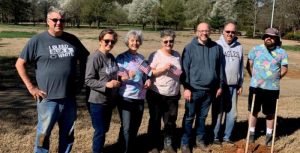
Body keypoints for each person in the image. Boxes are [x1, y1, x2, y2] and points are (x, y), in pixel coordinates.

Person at [15, 6, 89, 153]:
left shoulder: (72, 39)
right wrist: (31, 88)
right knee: (44, 134)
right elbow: (19, 64)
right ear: (47, 21)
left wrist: (81, 81)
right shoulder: (37, 40)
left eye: (62, 20)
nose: (58, 23)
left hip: (69, 98)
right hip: (47, 99)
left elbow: (86, 60)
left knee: (68, 134)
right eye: (54, 20)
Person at [180, 22, 224, 153]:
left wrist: (220, 85)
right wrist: (186, 88)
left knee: (202, 118)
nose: (204, 33)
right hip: (193, 90)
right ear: (196, 32)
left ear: (210, 31)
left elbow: (220, 68)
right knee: (189, 117)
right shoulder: (189, 48)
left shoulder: (216, 47)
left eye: (206, 30)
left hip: (209, 91)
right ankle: (185, 143)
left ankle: (200, 141)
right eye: (201, 30)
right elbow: (184, 70)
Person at [246, 28, 288, 146]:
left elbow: (284, 68)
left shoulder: (282, 52)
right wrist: (254, 77)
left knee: (270, 113)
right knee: (253, 111)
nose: (269, 38)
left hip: (272, 89)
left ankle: (269, 135)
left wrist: (275, 78)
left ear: (276, 39)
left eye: (272, 36)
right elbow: (249, 65)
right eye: (266, 36)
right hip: (256, 87)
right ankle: (251, 134)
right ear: (264, 38)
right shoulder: (255, 49)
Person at [116, 30, 151, 153]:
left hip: (140, 97)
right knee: (126, 127)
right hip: (126, 96)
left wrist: (148, 80)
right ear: (127, 42)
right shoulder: (121, 58)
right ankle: (123, 149)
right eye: (132, 40)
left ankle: (130, 148)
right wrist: (125, 76)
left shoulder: (141, 58)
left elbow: (147, 74)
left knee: (135, 126)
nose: (134, 43)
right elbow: (118, 76)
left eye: (137, 40)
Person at [85, 28, 120, 153]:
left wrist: (121, 77)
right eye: (107, 41)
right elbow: (88, 80)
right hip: (97, 101)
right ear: (100, 40)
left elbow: (114, 74)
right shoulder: (94, 57)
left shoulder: (111, 57)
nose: (109, 44)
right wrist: (107, 85)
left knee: (105, 129)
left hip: (109, 101)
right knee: (100, 130)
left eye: (112, 42)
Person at [147, 29, 182, 153]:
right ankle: (154, 145)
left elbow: (180, 73)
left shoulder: (177, 55)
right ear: (161, 41)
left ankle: (168, 144)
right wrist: (163, 69)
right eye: (166, 41)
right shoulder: (155, 55)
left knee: (170, 121)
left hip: (173, 94)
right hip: (157, 93)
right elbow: (149, 73)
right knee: (155, 120)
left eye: (171, 41)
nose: (168, 44)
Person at [212, 21, 244, 144]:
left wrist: (240, 83)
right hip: (219, 86)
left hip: (234, 86)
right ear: (223, 31)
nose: (230, 34)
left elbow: (241, 66)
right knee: (218, 112)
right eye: (228, 31)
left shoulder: (239, 46)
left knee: (231, 114)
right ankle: (215, 137)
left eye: (233, 32)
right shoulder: (216, 45)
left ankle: (227, 137)